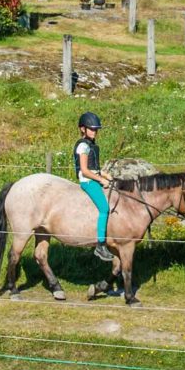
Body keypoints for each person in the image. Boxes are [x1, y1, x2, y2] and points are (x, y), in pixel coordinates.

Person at [73, 112, 115, 264]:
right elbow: (84, 170)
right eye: (91, 129)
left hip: (94, 178)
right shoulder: (83, 146)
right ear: (83, 129)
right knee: (104, 209)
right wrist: (101, 179)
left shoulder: (92, 145)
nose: (94, 132)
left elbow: (94, 167)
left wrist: (105, 174)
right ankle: (100, 245)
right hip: (88, 181)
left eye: (96, 129)